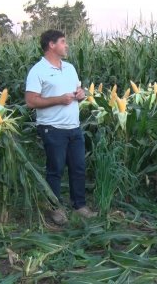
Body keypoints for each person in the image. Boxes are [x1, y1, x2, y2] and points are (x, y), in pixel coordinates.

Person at [25, 29, 97, 225]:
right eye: (63, 42)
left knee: (78, 168)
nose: (67, 45)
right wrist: (58, 99)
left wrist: (81, 95)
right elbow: (31, 101)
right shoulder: (38, 71)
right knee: (55, 170)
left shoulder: (70, 68)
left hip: (73, 127)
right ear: (51, 45)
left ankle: (79, 205)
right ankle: (55, 208)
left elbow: (76, 92)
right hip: (52, 128)